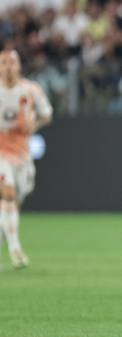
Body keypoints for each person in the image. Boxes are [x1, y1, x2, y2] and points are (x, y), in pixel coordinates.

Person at [0, 50, 53, 268]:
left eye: (12, 62)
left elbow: (47, 113)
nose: (8, 67)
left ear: (20, 66)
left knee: (13, 203)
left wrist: (35, 125)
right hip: (1, 154)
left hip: (22, 156)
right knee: (8, 195)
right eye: (4, 63)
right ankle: (15, 250)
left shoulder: (31, 90)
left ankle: (8, 243)